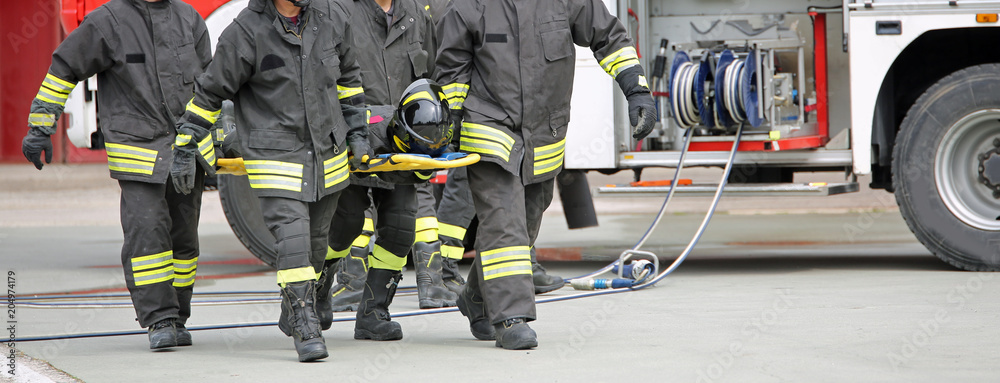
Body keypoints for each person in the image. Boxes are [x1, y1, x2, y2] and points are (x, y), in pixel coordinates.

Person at [435, 0, 656, 349]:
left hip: (544, 133)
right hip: (488, 130)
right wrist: (452, 127)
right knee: (503, 222)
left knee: (525, 224)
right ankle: (512, 318)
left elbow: (608, 35)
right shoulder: (467, 5)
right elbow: (451, 71)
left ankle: (476, 297)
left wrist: (636, 89)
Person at [172, 0, 366, 362]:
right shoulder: (245, 32)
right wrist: (186, 141)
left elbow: (349, 80)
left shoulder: (331, 20)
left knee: (316, 246)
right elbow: (210, 93)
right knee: (293, 239)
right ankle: (305, 325)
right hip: (275, 157)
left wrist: (357, 132)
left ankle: (294, 306)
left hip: (327, 156)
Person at [19, 0, 211, 350]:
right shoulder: (107, 21)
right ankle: (160, 319)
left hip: (186, 154)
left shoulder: (190, 19)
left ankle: (179, 316)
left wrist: (217, 145)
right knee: (147, 233)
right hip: (139, 153)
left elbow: (211, 87)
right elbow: (64, 68)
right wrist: (41, 124)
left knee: (184, 242)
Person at [324, 0, 457, 315]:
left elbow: (429, 79)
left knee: (400, 228)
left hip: (402, 145)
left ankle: (376, 311)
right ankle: (329, 289)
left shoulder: (414, 13)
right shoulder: (338, 12)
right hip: (354, 143)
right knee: (347, 222)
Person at [326, 79, 455, 341]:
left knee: (400, 232)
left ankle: (373, 313)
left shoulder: (429, 136)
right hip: (353, 159)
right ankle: (314, 297)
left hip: (398, 164)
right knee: (345, 227)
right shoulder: (371, 129)